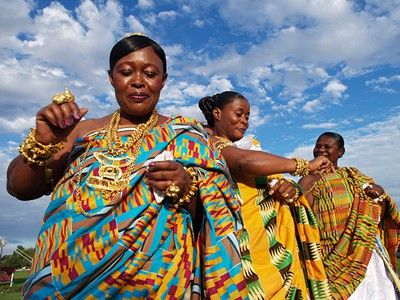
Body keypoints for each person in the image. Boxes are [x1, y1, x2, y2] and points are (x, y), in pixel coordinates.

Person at [7, 34, 248, 299]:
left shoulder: (187, 137)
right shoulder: (81, 130)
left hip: (157, 283)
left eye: (150, 73)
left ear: (163, 81)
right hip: (66, 279)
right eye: (125, 71)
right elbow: (19, 188)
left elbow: (217, 217)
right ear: (111, 77)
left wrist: (188, 187)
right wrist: (41, 143)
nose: (138, 81)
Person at [198, 91, 332, 299]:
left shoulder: (248, 147)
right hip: (239, 245)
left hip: (269, 247)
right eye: (239, 114)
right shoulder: (210, 144)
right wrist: (305, 165)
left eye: (247, 117)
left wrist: (285, 188)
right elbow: (246, 162)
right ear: (217, 113)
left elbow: (269, 179)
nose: (244, 121)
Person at [298, 131, 400, 299]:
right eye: (318, 146)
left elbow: (377, 209)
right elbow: (300, 211)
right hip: (329, 255)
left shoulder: (354, 177)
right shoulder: (308, 179)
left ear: (340, 152)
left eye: (327, 146)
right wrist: (312, 173)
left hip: (362, 252)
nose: (321, 149)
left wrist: (380, 193)